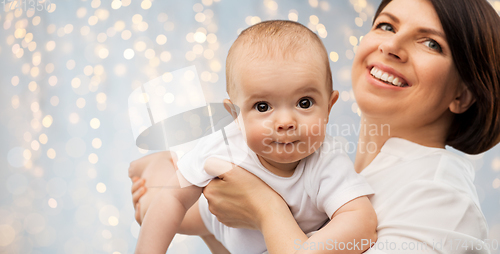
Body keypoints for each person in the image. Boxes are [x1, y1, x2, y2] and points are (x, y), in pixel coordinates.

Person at [130, 0, 500, 253]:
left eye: (431, 43)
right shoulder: (353, 168)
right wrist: (190, 205)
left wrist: (263, 207)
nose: (391, 46)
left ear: (463, 95)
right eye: (386, 25)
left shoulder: (439, 196)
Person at [131, 20, 377, 254]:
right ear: (235, 116)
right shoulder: (223, 145)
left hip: (263, 242)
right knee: (151, 206)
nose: (285, 123)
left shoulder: (326, 161)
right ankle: (159, 163)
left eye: (304, 103)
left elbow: (362, 222)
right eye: (262, 107)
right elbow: (172, 198)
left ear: (329, 107)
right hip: (215, 216)